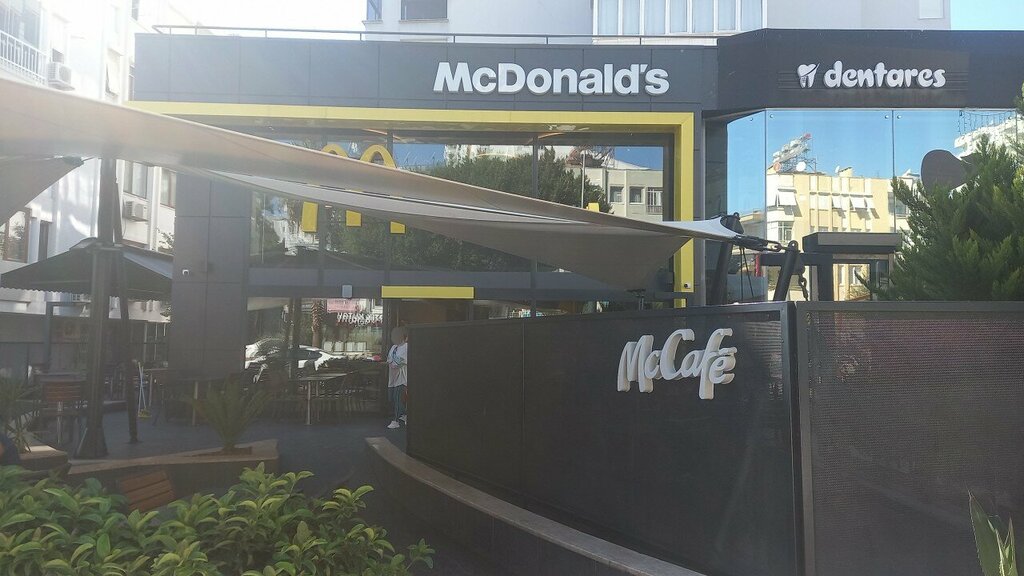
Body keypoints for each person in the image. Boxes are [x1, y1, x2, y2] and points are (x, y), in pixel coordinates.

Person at [386, 327, 408, 429]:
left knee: (398, 398)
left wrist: (396, 363)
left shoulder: (407, 347)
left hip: (402, 377)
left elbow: (402, 361)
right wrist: (392, 362)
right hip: (392, 377)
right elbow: (389, 359)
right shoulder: (393, 347)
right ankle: (404, 415)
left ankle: (396, 421)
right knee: (392, 398)